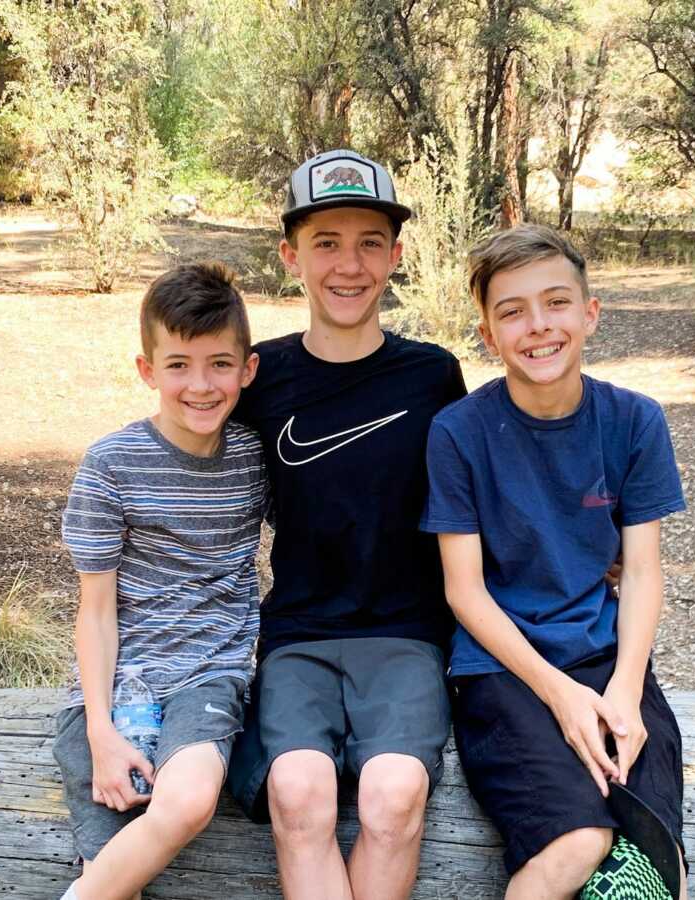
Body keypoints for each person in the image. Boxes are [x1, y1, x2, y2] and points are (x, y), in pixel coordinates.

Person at [421, 224, 688, 900]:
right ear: (487, 332)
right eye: (512, 311)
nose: (538, 327)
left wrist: (625, 688)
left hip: (605, 656)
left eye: (557, 302)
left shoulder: (634, 421)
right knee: (577, 842)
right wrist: (559, 693)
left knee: (658, 862)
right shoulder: (459, 432)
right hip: (502, 668)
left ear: (590, 314)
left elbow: (644, 570)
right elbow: (465, 592)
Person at [227, 149, 466, 900]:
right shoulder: (258, 378)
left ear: (395, 256)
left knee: (395, 796)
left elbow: (479, 494)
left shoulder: (433, 375)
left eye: (369, 242)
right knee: (298, 792)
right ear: (290, 255)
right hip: (298, 635)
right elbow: (187, 469)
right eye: (326, 242)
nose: (348, 265)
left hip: (406, 635)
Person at [53, 262, 266, 900]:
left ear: (247, 370)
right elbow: (94, 611)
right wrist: (101, 730)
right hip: (110, 693)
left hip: (209, 677)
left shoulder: (255, 458)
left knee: (191, 797)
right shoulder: (111, 464)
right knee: (111, 876)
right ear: (148, 371)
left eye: (219, 364)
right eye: (178, 365)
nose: (200, 385)